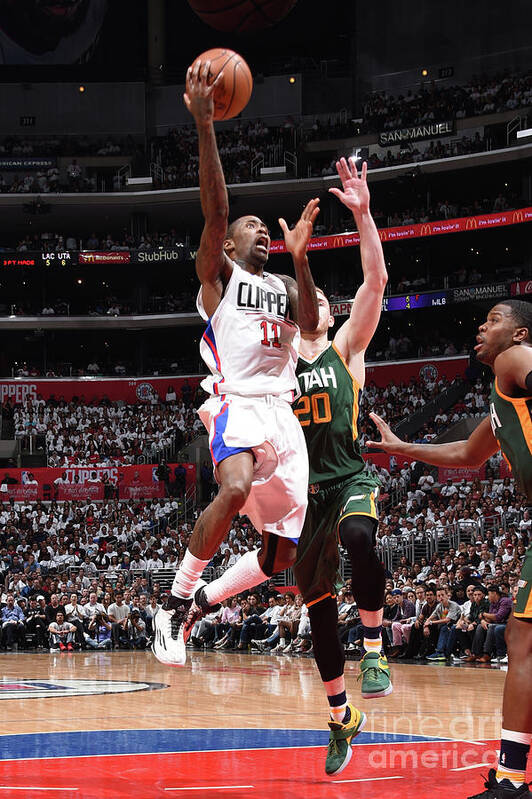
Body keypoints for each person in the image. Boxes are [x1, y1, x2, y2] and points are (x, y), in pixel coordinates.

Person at [153, 58, 319, 666]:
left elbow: (308, 328)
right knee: (235, 486)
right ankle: (174, 600)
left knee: (283, 558)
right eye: (251, 226)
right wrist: (205, 125)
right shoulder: (218, 281)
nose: (260, 232)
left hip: (284, 412)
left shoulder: (283, 280)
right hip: (238, 403)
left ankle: (201, 607)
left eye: (262, 228)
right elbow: (215, 211)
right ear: (226, 246)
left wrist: (300, 257)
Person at [367, 299, 532, 798]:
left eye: (495, 319)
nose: (482, 327)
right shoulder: (502, 397)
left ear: (520, 333)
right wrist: (402, 448)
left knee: (522, 643)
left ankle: (509, 780)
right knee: (522, 642)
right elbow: (465, 452)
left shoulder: (515, 361)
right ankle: (509, 776)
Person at [286, 155, 387, 776]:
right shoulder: (275, 368)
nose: (314, 302)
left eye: (321, 297)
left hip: (349, 476)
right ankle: (340, 715)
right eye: (307, 296)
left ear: (327, 311)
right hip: (302, 497)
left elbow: (374, 283)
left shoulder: (346, 344)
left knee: (360, 535)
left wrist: (364, 216)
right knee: (318, 609)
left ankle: (375, 646)